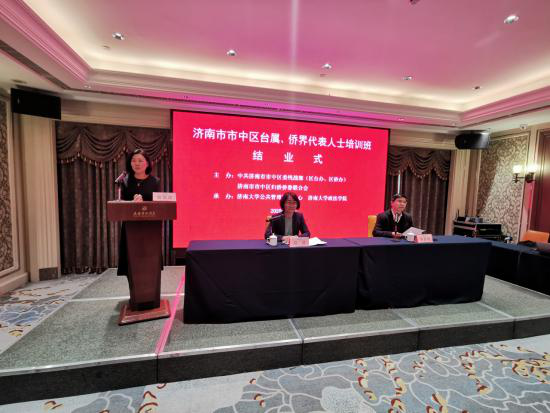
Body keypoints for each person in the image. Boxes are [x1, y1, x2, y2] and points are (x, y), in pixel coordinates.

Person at [117, 148, 160, 276]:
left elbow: (159, 205)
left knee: (149, 264)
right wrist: (132, 203)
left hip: (149, 227)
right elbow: (121, 204)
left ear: (147, 163)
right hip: (130, 227)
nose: (136, 163)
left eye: (140, 161)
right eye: (133, 160)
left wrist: (145, 203)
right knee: (131, 264)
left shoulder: (155, 182)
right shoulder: (125, 181)